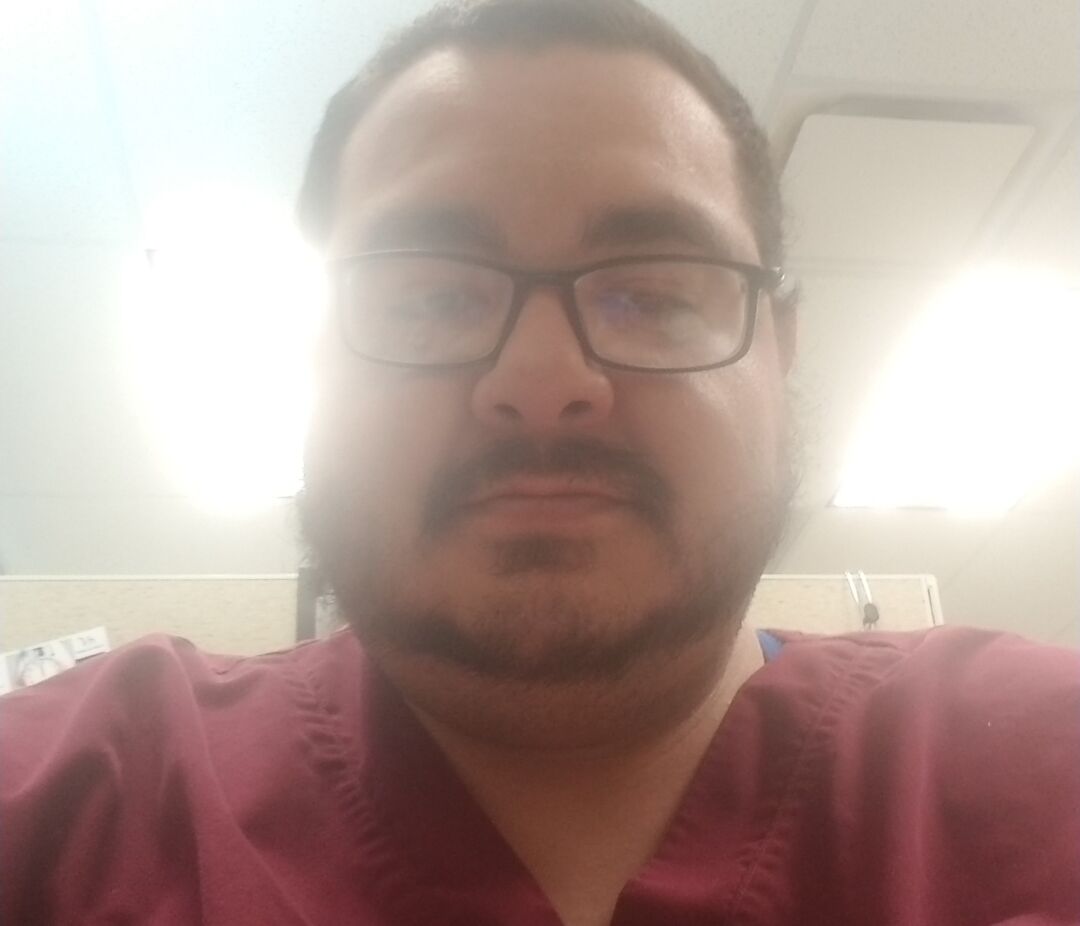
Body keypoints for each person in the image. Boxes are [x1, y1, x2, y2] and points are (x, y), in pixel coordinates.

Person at [2, 1, 1078, 923]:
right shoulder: (73, 802)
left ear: (779, 354)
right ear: (312, 359)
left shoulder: (1039, 768)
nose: (542, 376)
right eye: (431, 295)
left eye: (652, 291)